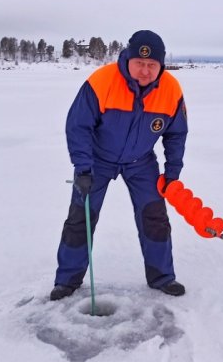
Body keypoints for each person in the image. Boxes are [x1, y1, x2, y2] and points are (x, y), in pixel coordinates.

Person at [50, 30, 188, 301]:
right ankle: (67, 280)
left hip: (141, 162)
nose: (145, 71)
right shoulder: (102, 81)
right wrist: (83, 167)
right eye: (140, 63)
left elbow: (176, 135)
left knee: (155, 217)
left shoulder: (171, 90)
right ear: (127, 59)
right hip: (97, 160)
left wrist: (172, 175)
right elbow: (78, 126)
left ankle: (162, 277)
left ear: (161, 65)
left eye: (152, 65)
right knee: (81, 217)